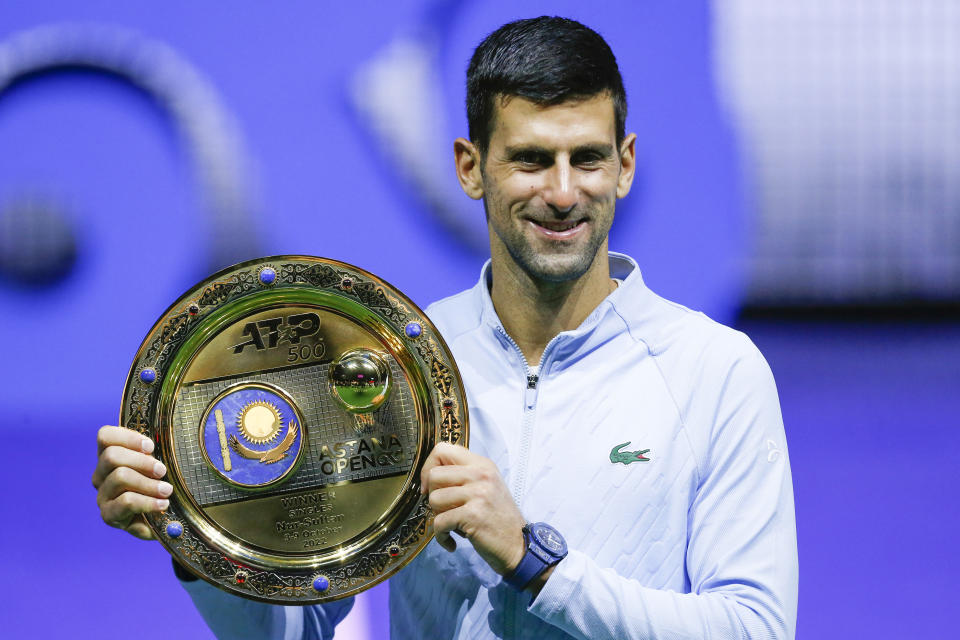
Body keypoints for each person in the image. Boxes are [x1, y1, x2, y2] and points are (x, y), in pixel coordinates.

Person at [93, 16, 798, 639]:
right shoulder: (393, 362)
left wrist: (533, 561)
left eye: (587, 158)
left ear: (625, 166)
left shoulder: (714, 368)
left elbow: (753, 629)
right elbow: (294, 631)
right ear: (470, 168)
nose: (561, 192)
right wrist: (194, 538)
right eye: (529, 159)